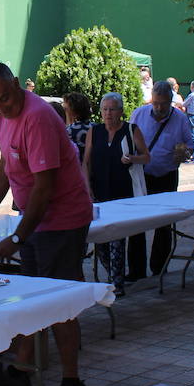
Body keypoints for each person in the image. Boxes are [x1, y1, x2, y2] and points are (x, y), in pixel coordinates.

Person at [0, 63, 94, 386]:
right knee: (28, 297)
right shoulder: (4, 115)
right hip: (36, 221)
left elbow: (44, 188)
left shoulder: (38, 116)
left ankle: (73, 384)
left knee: (58, 303)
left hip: (61, 221)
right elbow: (5, 169)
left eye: (5, 100)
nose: (1, 109)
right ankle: (22, 371)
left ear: (16, 85)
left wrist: (17, 236)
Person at [128, 82, 193, 278]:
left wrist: (184, 153)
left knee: (164, 224)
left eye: (163, 104)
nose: (158, 108)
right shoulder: (139, 114)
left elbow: (190, 146)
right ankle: (136, 271)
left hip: (167, 175)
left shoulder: (180, 118)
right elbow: (129, 141)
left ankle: (159, 268)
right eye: (155, 103)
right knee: (136, 223)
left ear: (170, 102)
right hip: (142, 175)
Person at [82, 92, 136, 296]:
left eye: (112, 109)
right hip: (99, 192)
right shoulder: (94, 131)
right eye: (105, 109)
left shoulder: (130, 129)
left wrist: (133, 158)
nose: (108, 113)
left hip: (122, 192)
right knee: (100, 242)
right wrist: (87, 188)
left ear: (121, 111)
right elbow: (86, 162)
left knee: (117, 240)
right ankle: (113, 276)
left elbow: (146, 157)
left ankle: (117, 284)